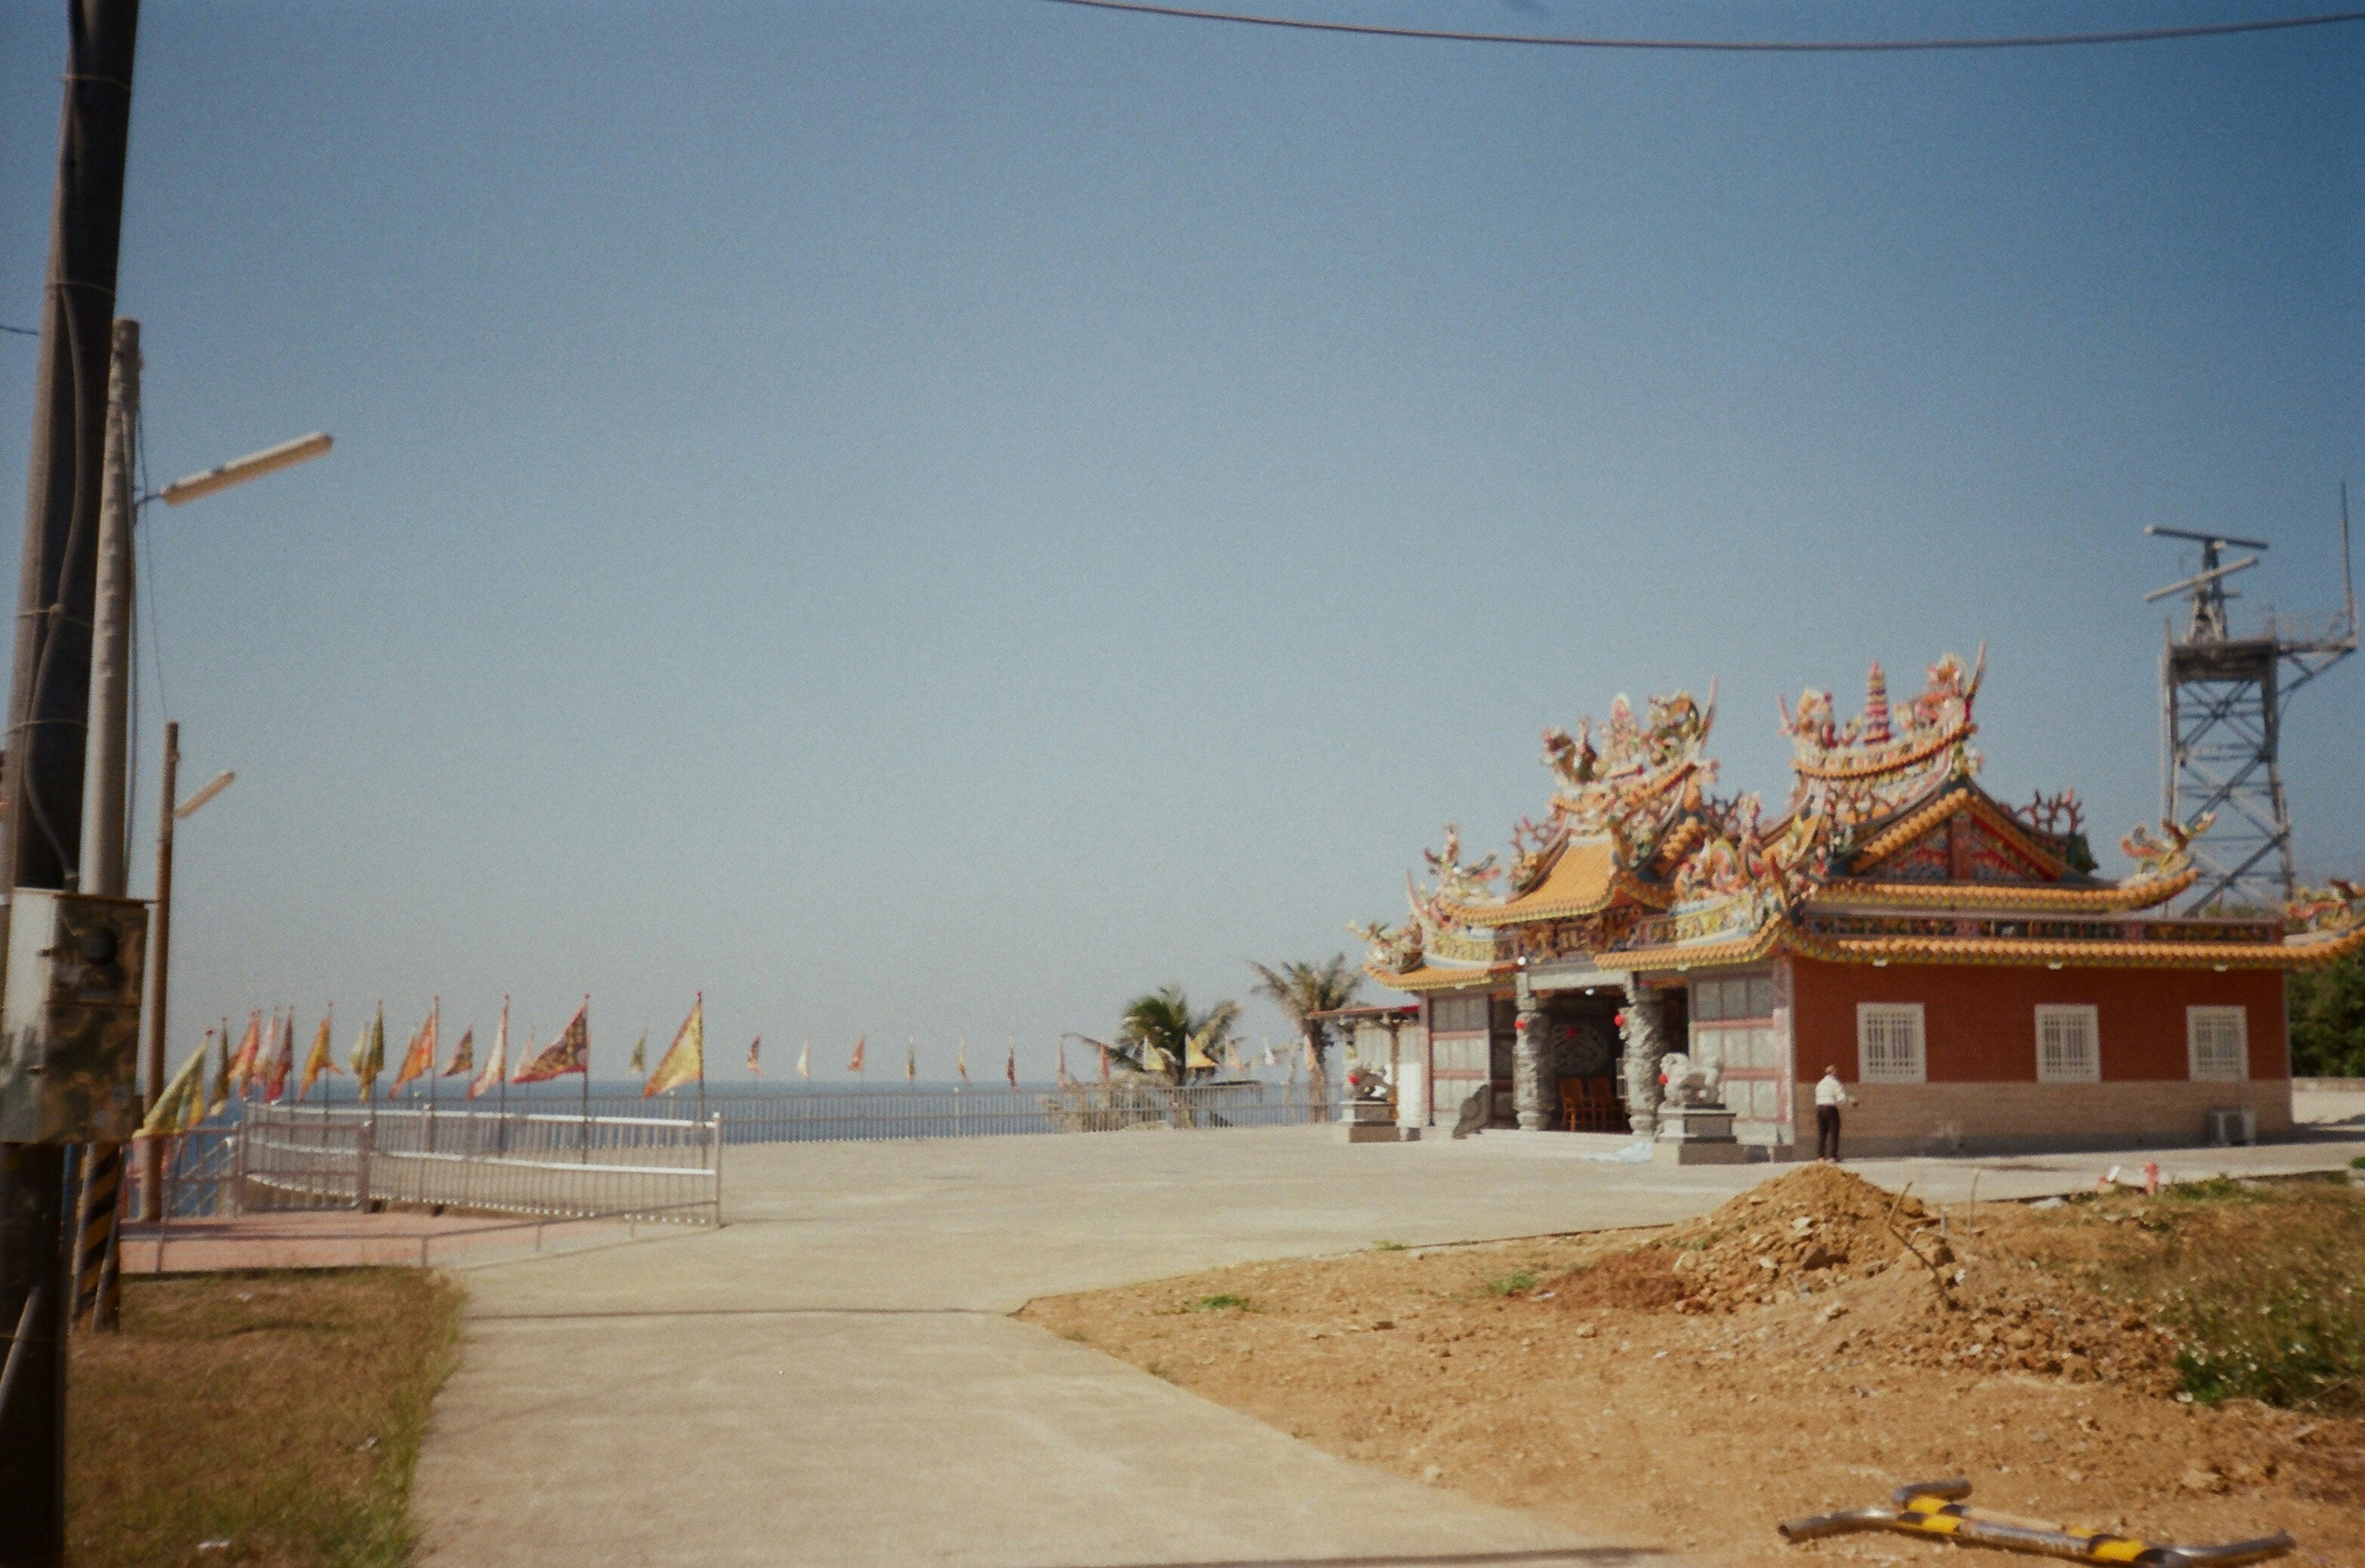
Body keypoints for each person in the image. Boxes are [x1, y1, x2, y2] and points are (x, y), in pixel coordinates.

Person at [1813, 1065, 1856, 1162]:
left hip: (1819, 1108)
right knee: (1833, 1132)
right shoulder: (1835, 1084)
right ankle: (1833, 1156)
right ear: (1833, 1073)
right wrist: (1851, 1101)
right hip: (1830, 1108)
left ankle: (1821, 1156)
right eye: (1836, 1072)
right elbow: (1841, 1099)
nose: (1837, 1074)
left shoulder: (1820, 1084)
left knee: (1822, 1133)